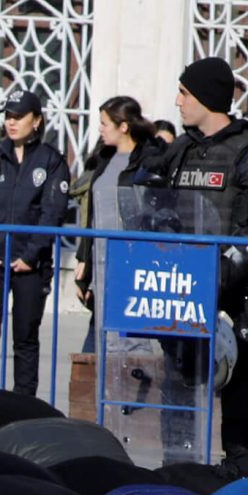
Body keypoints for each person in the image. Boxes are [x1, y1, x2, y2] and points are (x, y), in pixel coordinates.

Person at [125, 55, 248, 457]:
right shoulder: (180, 150)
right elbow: (152, 205)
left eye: (184, 92)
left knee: (239, 405)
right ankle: (178, 474)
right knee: (178, 401)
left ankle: (240, 481)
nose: (178, 101)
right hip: (180, 296)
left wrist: (212, 275)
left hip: (230, 301)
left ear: (205, 97)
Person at [0, 88, 70, 398]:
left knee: (25, 338)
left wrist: (30, 255)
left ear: (36, 120)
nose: (12, 123)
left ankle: (23, 407)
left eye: (19, 117)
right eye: (8, 117)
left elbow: (52, 214)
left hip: (30, 265)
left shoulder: (51, 161)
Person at [72, 95, 156, 359]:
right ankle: (99, 397)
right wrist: (83, 260)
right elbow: (92, 214)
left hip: (130, 262)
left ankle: (131, 397)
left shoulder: (147, 159)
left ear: (124, 126)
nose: (100, 129)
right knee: (100, 337)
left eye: (105, 123)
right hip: (100, 261)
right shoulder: (104, 158)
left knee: (129, 342)